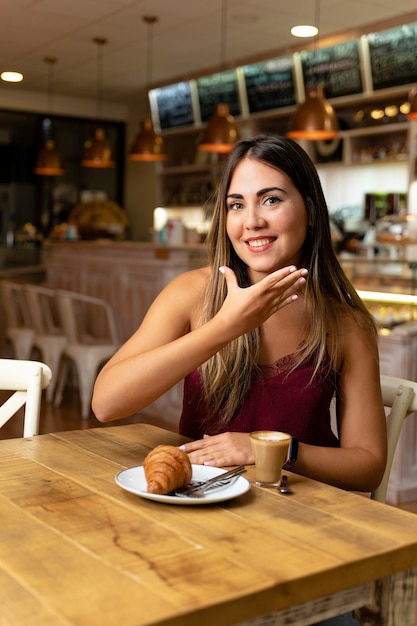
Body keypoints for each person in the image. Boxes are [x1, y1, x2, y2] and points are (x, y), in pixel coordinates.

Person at [92, 134, 387, 494]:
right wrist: (224, 327)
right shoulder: (192, 293)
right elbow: (106, 404)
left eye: (271, 200)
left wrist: (272, 448)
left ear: (311, 212)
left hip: (302, 516)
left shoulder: (346, 324)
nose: (252, 221)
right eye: (236, 205)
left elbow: (368, 465)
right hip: (200, 505)